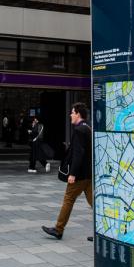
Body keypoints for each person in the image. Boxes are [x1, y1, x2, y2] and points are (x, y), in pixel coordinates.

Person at [43, 103, 92, 241]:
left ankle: (58, 229)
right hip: (89, 174)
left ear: (78, 114)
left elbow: (79, 153)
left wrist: (73, 174)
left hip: (80, 175)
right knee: (95, 203)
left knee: (68, 200)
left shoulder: (79, 130)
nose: (70, 114)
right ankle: (105, 232)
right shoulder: (88, 128)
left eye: (72, 112)